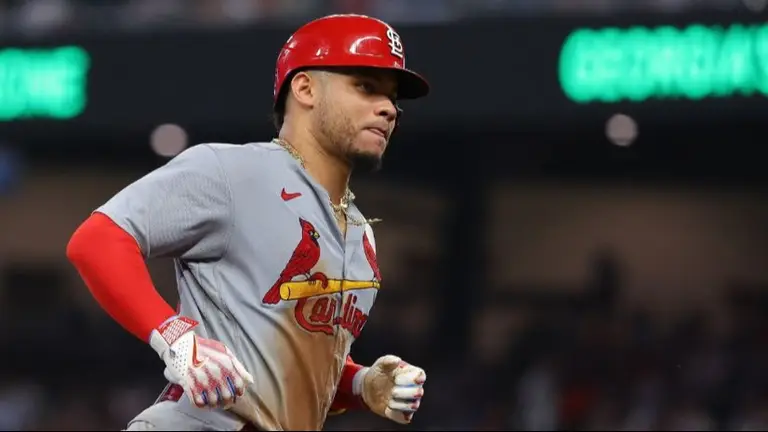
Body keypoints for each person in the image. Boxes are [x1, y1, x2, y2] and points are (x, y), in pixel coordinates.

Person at [66, 13, 430, 431]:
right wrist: (176, 337)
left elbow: (285, 369)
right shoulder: (233, 172)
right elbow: (97, 240)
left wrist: (361, 384)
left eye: (393, 99)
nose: (388, 109)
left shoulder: (361, 236)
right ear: (305, 88)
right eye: (365, 87)